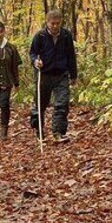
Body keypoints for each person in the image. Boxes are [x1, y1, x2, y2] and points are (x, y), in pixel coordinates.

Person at [29, 9, 77, 143]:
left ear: (61, 22)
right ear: (47, 23)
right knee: (40, 104)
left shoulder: (66, 36)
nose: (55, 26)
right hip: (44, 74)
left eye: (57, 23)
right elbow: (32, 53)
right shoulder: (40, 36)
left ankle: (58, 132)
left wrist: (73, 75)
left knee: (62, 103)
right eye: (52, 24)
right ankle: (39, 131)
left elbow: (71, 56)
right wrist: (35, 61)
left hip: (61, 74)